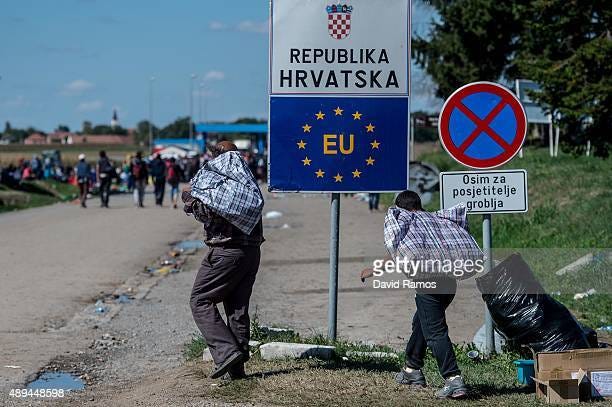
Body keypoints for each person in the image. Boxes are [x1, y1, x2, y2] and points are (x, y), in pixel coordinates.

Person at [361, 191, 482, 400]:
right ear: (418, 204)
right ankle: (412, 369)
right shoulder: (438, 219)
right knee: (421, 323)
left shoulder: (409, 223)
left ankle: (453, 380)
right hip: (449, 284)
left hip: (428, 285)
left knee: (435, 332)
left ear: (401, 208)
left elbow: (401, 252)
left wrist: (374, 270)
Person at [183, 141, 264, 380]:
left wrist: (190, 201)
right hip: (251, 253)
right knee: (237, 308)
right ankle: (237, 371)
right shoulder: (247, 182)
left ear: (218, 157)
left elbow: (207, 212)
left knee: (200, 300)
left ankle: (226, 352)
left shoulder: (221, 181)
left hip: (226, 252)